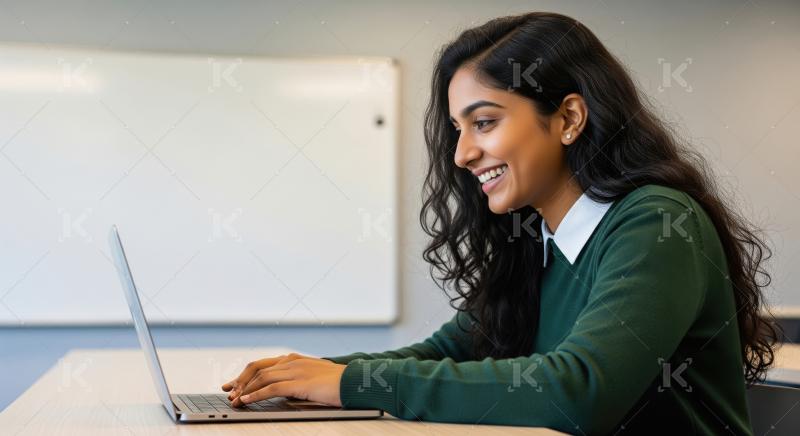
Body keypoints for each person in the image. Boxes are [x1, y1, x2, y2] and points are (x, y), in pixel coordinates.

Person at [221, 12, 781, 434]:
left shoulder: (656, 223)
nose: (462, 155)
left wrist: (348, 384)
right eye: (457, 131)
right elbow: (450, 351)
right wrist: (300, 379)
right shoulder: (538, 240)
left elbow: (580, 389)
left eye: (483, 123)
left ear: (567, 118)